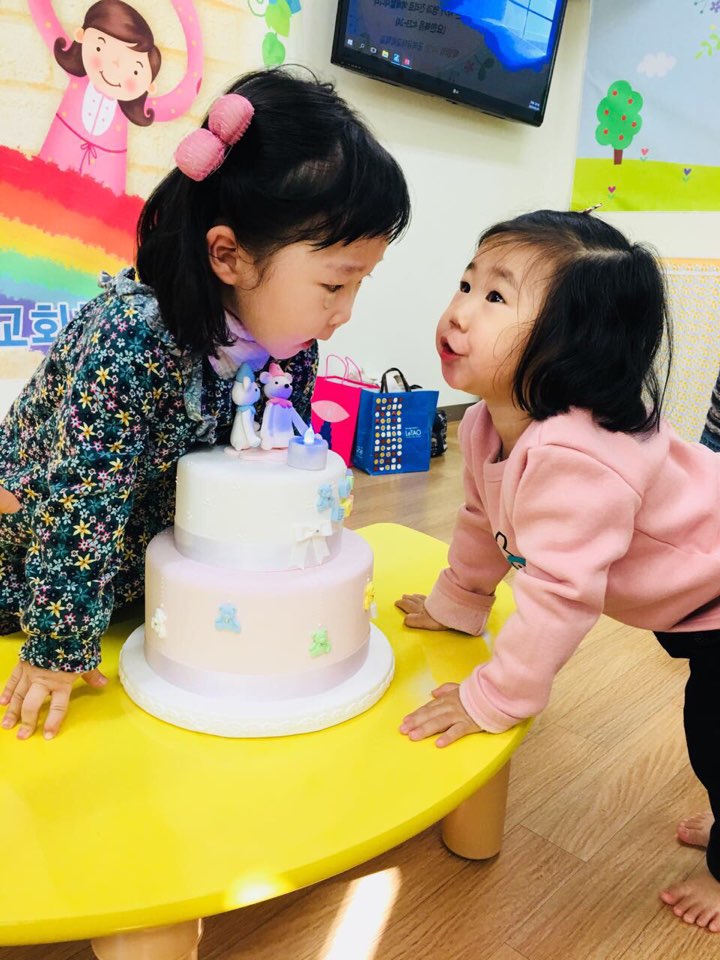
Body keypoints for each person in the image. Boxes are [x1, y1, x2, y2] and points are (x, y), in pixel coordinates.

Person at [0, 66, 410, 742]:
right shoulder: (132, 338)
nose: (345, 313)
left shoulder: (290, 350)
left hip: (155, 578)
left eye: (360, 284)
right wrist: (56, 650)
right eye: (335, 285)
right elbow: (80, 506)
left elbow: (270, 470)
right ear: (228, 256)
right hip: (31, 559)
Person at [395, 209, 720, 931]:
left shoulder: (579, 457)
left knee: (716, 735)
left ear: (575, 344)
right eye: (467, 284)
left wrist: (495, 698)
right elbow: (482, 521)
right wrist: (458, 602)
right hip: (692, 598)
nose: (460, 311)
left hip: (715, 593)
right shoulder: (486, 421)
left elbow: (559, 596)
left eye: (496, 297)